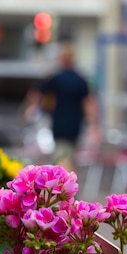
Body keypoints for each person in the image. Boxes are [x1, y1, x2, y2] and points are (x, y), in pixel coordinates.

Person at [38, 43, 89, 171]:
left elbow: (41, 94)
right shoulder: (80, 80)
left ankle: (65, 186)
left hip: (59, 124)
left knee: (61, 157)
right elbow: (87, 104)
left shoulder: (56, 79)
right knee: (71, 156)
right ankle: (71, 185)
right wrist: (92, 124)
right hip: (75, 125)